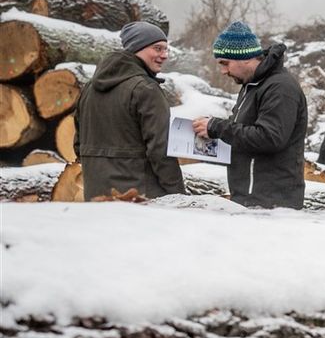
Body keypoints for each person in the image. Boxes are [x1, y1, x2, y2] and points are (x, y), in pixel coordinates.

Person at [191, 21, 306, 209]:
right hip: (250, 197)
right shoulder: (251, 86)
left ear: (245, 58)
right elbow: (242, 129)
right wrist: (209, 132)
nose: (223, 70)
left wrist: (216, 127)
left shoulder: (280, 88)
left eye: (225, 63)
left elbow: (270, 137)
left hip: (272, 204)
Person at [76, 20, 187, 200]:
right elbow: (161, 149)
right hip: (139, 198)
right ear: (138, 48)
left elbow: (78, 143)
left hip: (96, 196)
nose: (164, 55)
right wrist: (178, 194)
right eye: (157, 48)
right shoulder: (146, 89)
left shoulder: (89, 89)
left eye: (166, 49)